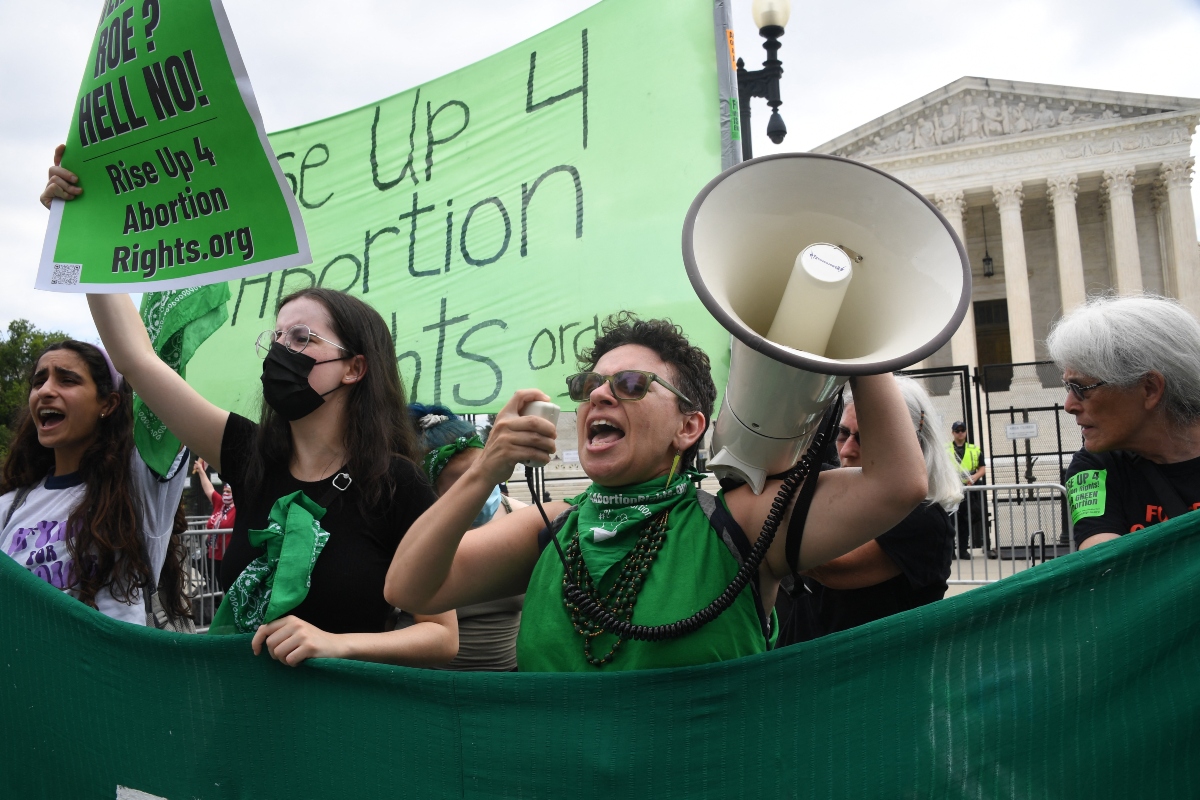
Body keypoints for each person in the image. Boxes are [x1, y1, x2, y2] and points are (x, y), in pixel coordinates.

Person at [43, 153, 456, 666]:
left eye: (302, 337)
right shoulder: (248, 453)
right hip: (239, 721)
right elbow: (136, 359)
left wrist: (336, 645)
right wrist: (82, 226)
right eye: (277, 336)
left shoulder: (396, 484)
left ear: (354, 368)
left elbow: (442, 635)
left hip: (344, 726)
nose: (281, 349)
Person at [385, 313, 927, 672]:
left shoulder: (735, 521)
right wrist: (484, 472)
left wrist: (857, 342)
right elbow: (410, 589)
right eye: (588, 385)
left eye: (630, 385)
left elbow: (895, 485)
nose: (597, 394)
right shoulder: (548, 528)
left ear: (689, 427)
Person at [0, 340, 190, 626]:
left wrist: (99, 294)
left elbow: (163, 377)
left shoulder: (137, 489)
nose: (46, 391)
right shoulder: (8, 507)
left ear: (108, 403)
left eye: (67, 380)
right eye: (39, 381)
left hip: (110, 669)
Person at [775, 377, 962, 645]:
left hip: (874, 679)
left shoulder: (924, 518)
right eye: (843, 434)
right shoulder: (839, 500)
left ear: (908, 444)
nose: (848, 450)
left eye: (866, 438)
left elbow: (829, 568)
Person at [1048, 295, 1200, 550]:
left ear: (1149, 388)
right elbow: (1108, 568)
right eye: (1067, 387)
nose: (1068, 405)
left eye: (1081, 387)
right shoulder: (1092, 468)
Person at [403, 404, 526, 671]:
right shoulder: (410, 537)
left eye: (484, 474)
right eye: (463, 482)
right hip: (425, 689)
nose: (480, 489)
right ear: (429, 488)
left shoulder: (521, 518)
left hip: (508, 688)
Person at [193, 457, 235, 591]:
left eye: (228, 492)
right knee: (214, 587)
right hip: (213, 554)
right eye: (224, 491)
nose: (225, 494)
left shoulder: (238, 508)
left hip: (227, 556)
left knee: (225, 588)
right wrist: (201, 471)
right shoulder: (220, 504)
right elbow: (209, 489)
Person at [947, 420, 987, 558]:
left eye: (962, 430)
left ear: (966, 432)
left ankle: (963, 550)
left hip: (968, 490)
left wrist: (974, 478)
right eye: (957, 431)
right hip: (951, 491)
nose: (960, 433)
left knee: (965, 521)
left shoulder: (974, 450)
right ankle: (950, 552)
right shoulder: (945, 450)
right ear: (952, 433)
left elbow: (982, 469)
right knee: (949, 523)